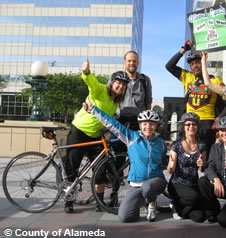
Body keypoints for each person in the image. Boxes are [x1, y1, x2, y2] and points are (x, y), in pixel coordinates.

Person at [64, 60, 129, 213]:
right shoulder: (100, 90)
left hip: (95, 136)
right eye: (118, 83)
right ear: (112, 83)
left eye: (124, 85)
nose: (120, 86)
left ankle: (100, 202)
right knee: (72, 168)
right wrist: (86, 72)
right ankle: (68, 199)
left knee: (100, 169)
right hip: (79, 131)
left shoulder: (116, 102)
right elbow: (91, 82)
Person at [90, 106, 167, 222]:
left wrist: (170, 166)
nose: (148, 127)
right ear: (140, 125)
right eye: (145, 124)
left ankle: (151, 204)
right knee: (125, 217)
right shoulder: (132, 137)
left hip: (156, 181)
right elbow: (112, 124)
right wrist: (93, 109)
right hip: (136, 184)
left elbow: (164, 162)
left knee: (148, 187)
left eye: (151, 124)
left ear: (156, 126)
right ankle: (143, 202)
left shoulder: (161, 143)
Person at [166, 40, 226, 152]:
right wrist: (184, 50)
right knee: (187, 156)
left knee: (208, 158)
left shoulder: (215, 80)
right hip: (190, 124)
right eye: (192, 64)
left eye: (198, 62)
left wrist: (219, 119)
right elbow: (169, 66)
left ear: (203, 62)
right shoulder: (187, 77)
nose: (195, 66)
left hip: (208, 124)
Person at [167, 112, 207, 222]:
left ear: (197, 127)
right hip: (177, 183)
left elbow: (202, 169)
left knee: (199, 217)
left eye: (194, 124)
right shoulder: (176, 145)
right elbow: (170, 170)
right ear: (183, 127)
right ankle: (176, 204)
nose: (191, 127)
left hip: (193, 184)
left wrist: (202, 165)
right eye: (188, 124)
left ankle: (182, 207)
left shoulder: (202, 145)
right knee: (194, 198)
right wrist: (170, 166)